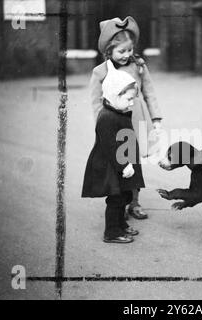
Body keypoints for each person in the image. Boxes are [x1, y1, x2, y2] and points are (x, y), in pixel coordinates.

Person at [89, 16, 163, 220]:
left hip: (137, 119)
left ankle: (135, 202)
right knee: (119, 163)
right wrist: (101, 126)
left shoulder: (138, 65)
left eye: (129, 50)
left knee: (135, 162)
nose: (126, 55)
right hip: (113, 123)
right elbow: (96, 102)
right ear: (108, 51)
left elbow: (149, 92)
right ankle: (119, 204)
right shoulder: (100, 72)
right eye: (121, 51)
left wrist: (156, 118)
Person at [82, 59, 145, 244]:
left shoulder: (119, 111)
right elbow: (111, 147)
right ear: (113, 95)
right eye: (128, 99)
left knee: (125, 195)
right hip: (113, 165)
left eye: (133, 99)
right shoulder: (107, 118)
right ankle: (112, 232)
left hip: (124, 163)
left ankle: (121, 225)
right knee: (116, 198)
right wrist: (124, 164)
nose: (131, 104)